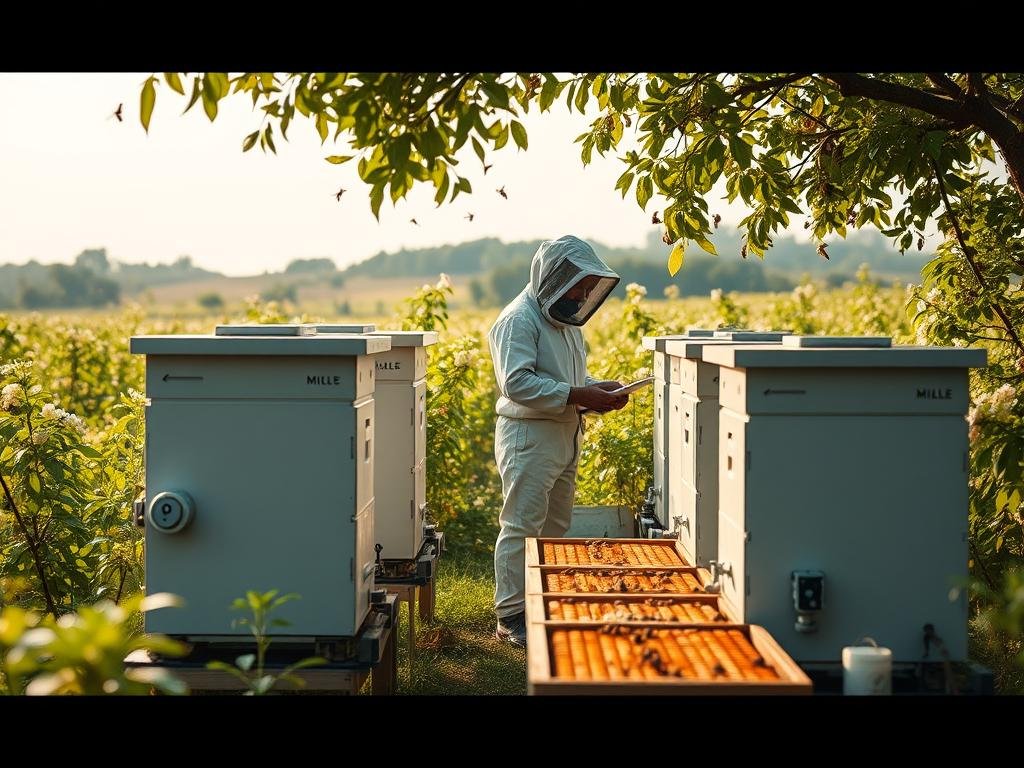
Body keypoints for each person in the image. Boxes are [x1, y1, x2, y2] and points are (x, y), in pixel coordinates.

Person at [487, 235, 628, 647]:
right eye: (578, 286)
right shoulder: (518, 320)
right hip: (529, 435)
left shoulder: (565, 324)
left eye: (588, 288)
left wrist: (594, 390)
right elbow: (517, 382)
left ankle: (539, 600)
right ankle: (511, 615)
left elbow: (569, 380)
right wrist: (578, 395)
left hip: (564, 432)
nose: (583, 294)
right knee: (521, 524)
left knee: (555, 525)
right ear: (553, 278)